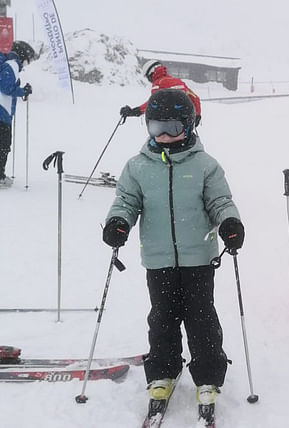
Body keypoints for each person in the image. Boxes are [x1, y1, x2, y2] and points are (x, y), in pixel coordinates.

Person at [103, 89, 244, 424]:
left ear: (189, 125)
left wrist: (230, 222)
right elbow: (126, 201)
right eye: (155, 127)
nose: (163, 134)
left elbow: (219, 202)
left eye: (171, 126)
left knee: (201, 318)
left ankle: (208, 373)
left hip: (198, 258)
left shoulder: (205, 166)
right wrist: (118, 222)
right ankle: (163, 370)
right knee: (163, 317)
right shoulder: (137, 167)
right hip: (159, 258)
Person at [119, 60, 202, 127]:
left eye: (148, 78)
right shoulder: (178, 81)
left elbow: (152, 103)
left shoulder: (158, 84)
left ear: (151, 73)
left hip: (168, 125)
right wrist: (197, 115)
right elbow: (195, 98)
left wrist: (134, 111)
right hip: (185, 123)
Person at [0, 41, 35, 189]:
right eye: (29, 60)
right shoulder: (13, 65)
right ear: (23, 55)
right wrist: (23, 91)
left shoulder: (10, 64)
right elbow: (5, 87)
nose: (27, 64)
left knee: (3, 145)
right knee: (3, 145)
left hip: (3, 112)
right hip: (2, 112)